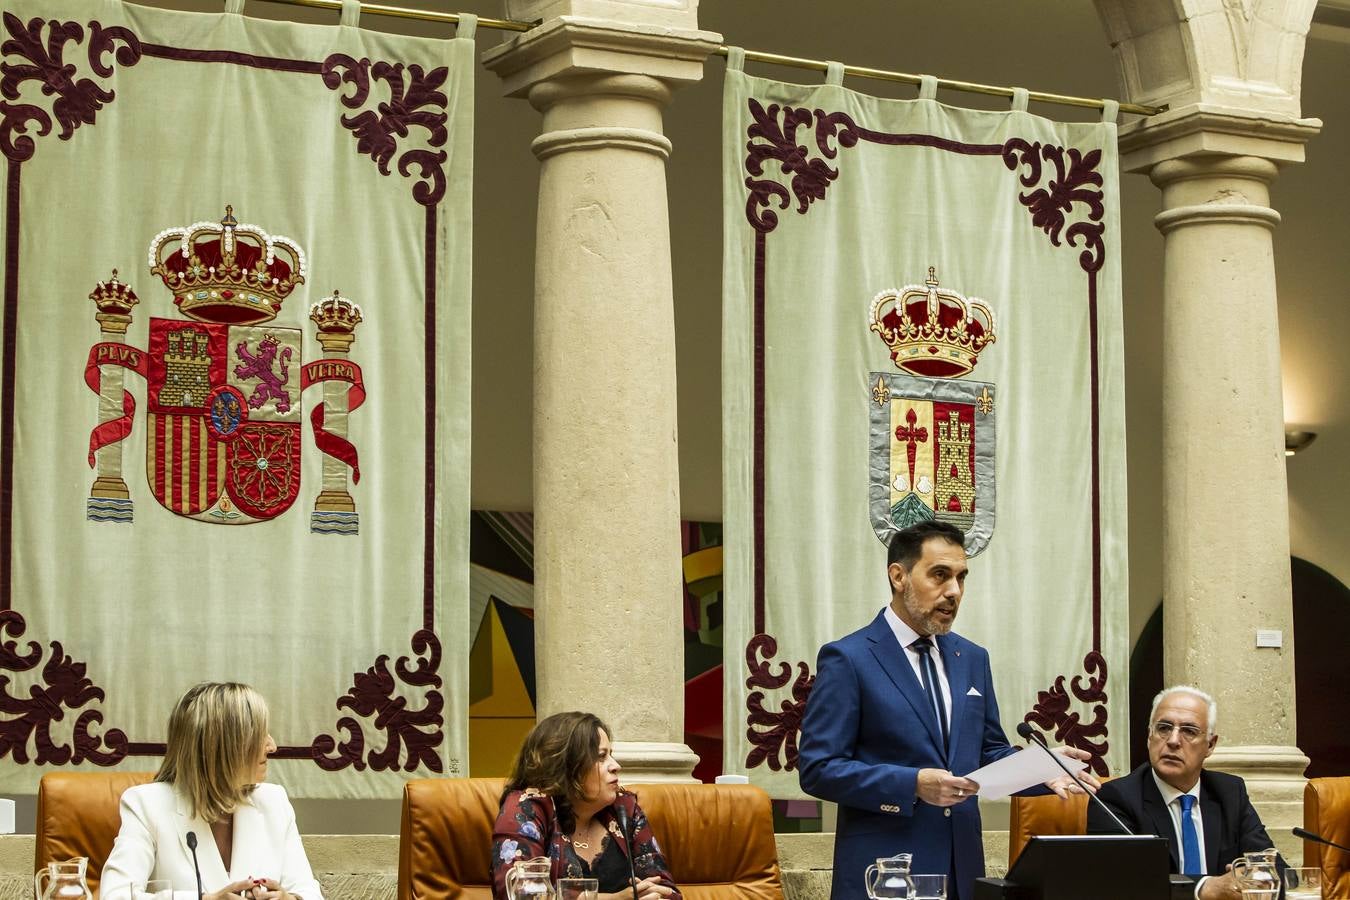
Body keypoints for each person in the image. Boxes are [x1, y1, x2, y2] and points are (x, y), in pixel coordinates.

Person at [797, 520, 1098, 900]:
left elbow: (988, 752)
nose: (954, 591)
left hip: (961, 872)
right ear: (898, 576)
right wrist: (913, 786)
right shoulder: (850, 659)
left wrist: (1044, 769)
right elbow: (819, 769)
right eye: (940, 575)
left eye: (961, 577)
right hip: (886, 872)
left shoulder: (971, 658)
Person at [102, 683, 323, 900]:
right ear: (223, 746)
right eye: (260, 735)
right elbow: (115, 895)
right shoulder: (146, 805)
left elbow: (309, 892)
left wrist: (289, 899)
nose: (272, 746)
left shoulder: (274, 800)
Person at [1087, 686, 1287, 900]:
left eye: (1189, 731)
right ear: (1149, 736)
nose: (1173, 741)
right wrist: (1204, 888)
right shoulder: (1114, 799)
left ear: (1210, 745)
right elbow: (1116, 883)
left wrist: (1255, 877)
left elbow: (1277, 873)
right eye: (1164, 728)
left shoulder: (1230, 793)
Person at [491, 711, 679, 900]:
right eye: (601, 757)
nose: (616, 766)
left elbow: (666, 890)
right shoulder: (526, 808)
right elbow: (520, 895)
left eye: (611, 755)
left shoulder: (624, 808)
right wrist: (617, 899)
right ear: (566, 766)